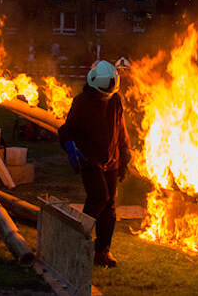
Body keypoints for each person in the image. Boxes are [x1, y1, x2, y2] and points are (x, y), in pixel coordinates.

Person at [58, 60, 132, 268]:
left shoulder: (115, 100)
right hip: (89, 158)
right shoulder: (81, 102)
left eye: (109, 93)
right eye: (103, 93)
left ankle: (102, 251)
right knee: (99, 196)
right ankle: (77, 243)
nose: (106, 97)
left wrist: (125, 153)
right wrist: (71, 147)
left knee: (109, 206)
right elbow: (67, 130)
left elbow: (120, 128)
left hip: (112, 159)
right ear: (93, 86)